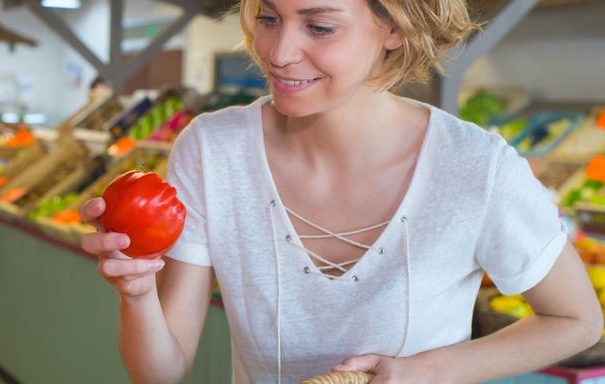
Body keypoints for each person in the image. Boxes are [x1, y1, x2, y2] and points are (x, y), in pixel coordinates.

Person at [80, 1, 603, 383]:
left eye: (320, 26)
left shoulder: (475, 167)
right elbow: (161, 374)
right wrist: (138, 291)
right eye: (267, 18)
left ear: (394, 26)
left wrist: (425, 372)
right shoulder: (213, 150)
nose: (279, 53)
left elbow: (577, 321)